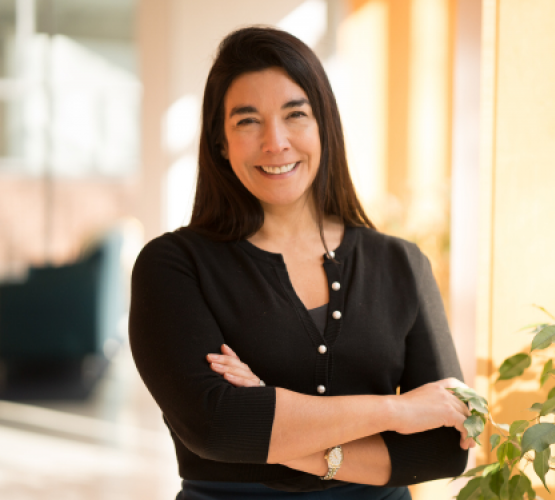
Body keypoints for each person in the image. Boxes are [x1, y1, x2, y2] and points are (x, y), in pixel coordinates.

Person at [129, 26, 472, 500]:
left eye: (296, 115)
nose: (276, 142)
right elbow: (217, 428)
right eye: (248, 121)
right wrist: (397, 412)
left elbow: (441, 449)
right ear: (220, 142)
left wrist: (272, 424)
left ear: (324, 127)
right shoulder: (172, 266)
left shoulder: (401, 263)